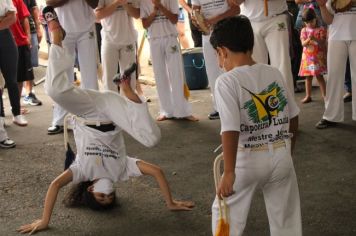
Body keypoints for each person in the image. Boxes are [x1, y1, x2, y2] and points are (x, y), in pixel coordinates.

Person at [17, 9, 194, 234]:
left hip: (89, 112)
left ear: (90, 189)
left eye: (101, 196)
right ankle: (127, 87)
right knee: (152, 139)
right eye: (110, 196)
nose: (107, 193)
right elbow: (157, 171)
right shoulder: (121, 171)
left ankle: (56, 37)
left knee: (56, 91)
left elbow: (55, 186)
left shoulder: (81, 170)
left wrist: (44, 220)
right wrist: (170, 202)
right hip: (112, 111)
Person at [210, 16, 302, 235]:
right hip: (281, 153)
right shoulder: (273, 72)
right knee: (286, 220)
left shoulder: (226, 81)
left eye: (217, 55)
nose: (218, 62)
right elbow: (294, 116)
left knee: (225, 213)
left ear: (222, 51)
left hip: (247, 161)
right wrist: (288, 150)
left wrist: (229, 172)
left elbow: (230, 129)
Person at [46, 0, 99, 135]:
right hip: (64, 28)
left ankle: (92, 117)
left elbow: (95, 4)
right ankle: (59, 120)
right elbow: (49, 2)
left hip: (86, 27)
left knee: (90, 74)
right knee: (63, 74)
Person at [140, 0, 198, 121]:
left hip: (170, 38)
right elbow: (145, 24)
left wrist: (160, 5)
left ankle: (183, 111)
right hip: (154, 39)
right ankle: (166, 111)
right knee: (160, 75)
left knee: (177, 74)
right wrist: (154, 12)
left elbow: (174, 19)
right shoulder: (144, 1)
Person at [232, 0, 295, 96]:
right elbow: (236, 2)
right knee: (254, 68)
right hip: (249, 21)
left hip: (276, 17)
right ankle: (261, 106)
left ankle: (286, 107)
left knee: (282, 65)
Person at [191, 0, 239, 120]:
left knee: (230, 69)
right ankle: (219, 107)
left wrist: (214, 19)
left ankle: (236, 105)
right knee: (212, 71)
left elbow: (236, 9)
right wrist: (197, 21)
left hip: (227, 30)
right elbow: (195, 10)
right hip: (207, 33)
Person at [315, 0, 356, 129]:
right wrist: (322, 5)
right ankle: (331, 116)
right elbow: (329, 20)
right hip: (336, 36)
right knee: (334, 77)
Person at [95, 0, 140, 92]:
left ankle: (129, 105)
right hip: (109, 39)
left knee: (129, 80)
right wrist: (117, 3)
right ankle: (113, 106)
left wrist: (125, 4)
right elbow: (98, 15)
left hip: (128, 39)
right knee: (109, 80)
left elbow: (137, 14)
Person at [0, 0, 25, 131]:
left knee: (12, 79)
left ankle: (17, 113)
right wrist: (3, 18)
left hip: (5, 37)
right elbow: (7, 16)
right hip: (3, 30)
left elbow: (12, 17)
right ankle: (1, 116)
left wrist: (6, 17)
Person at [10, 0, 34, 126]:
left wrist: (28, 37)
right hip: (5, 42)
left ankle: (16, 108)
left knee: (20, 78)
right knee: (3, 81)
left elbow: (25, 17)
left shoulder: (17, 0)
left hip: (20, 42)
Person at [298, 6, 326, 103]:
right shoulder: (304, 31)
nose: (309, 24)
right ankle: (308, 95)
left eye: (311, 21)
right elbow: (303, 44)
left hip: (318, 58)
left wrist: (314, 38)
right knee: (308, 77)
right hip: (308, 58)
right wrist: (309, 39)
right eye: (307, 22)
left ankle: (325, 95)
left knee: (319, 76)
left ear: (315, 19)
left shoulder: (321, 29)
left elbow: (322, 43)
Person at [22, 0, 43, 106]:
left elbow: (34, 9)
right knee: (16, 65)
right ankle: (16, 103)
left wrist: (38, 29)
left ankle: (29, 93)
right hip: (12, 30)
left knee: (30, 63)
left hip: (30, 29)